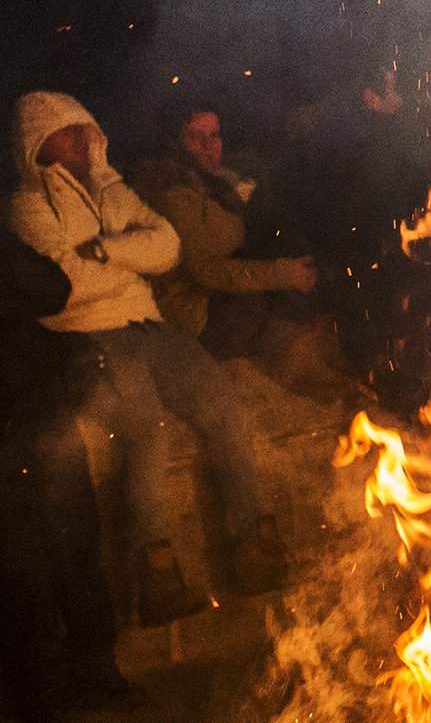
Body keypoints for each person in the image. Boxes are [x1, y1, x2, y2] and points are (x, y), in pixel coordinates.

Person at [6, 90, 288, 626]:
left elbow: (169, 248)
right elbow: (62, 286)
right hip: (93, 335)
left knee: (221, 403)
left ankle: (254, 545)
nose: (81, 140)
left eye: (83, 128)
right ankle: (157, 577)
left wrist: (108, 250)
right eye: (66, 133)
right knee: (147, 432)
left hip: (150, 325)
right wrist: (122, 260)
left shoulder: (113, 190)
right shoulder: (27, 206)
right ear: (38, 143)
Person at [133, 100, 352, 404]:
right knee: (274, 291)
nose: (210, 146)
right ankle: (297, 370)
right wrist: (283, 273)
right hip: (194, 311)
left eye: (215, 135)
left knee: (300, 242)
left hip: (218, 288)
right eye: (197, 138)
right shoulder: (172, 195)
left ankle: (331, 347)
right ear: (174, 144)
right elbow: (208, 272)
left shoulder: (218, 179)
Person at [0, 228, 135, 716]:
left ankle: (98, 674)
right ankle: (43, 697)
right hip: (11, 433)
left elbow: (53, 287)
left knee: (77, 549)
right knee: (21, 572)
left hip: (42, 418)